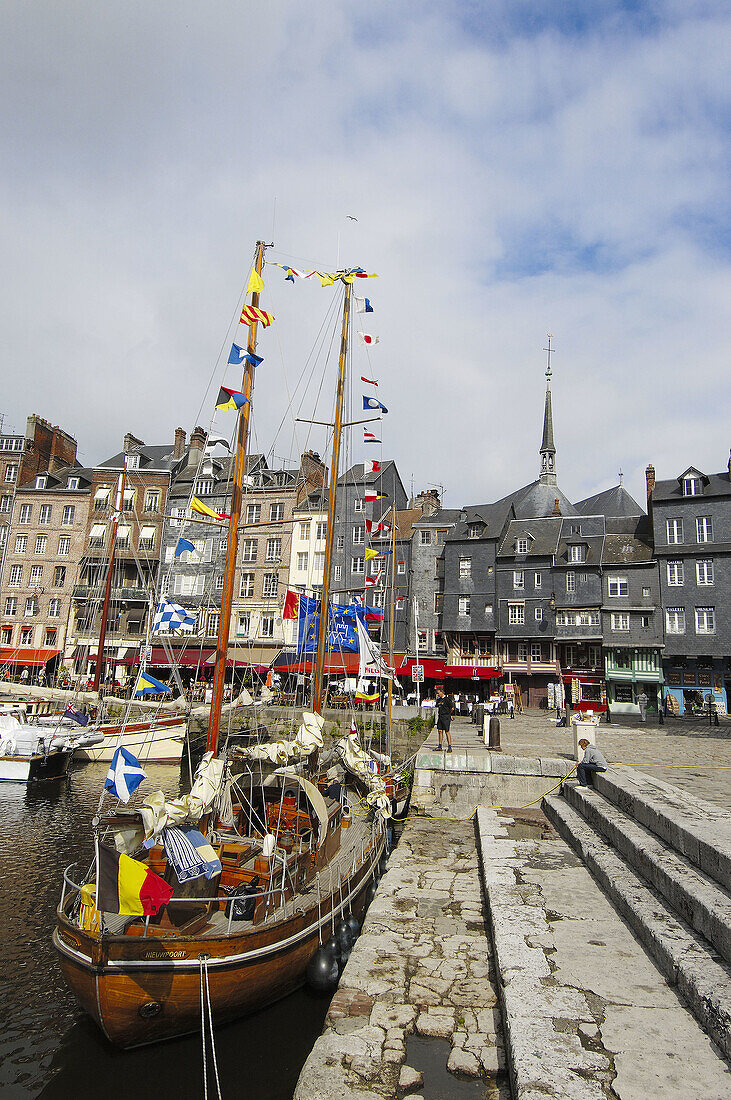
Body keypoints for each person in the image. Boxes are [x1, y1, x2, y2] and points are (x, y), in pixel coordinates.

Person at [435, 685, 453, 753]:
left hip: (446, 717)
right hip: (440, 716)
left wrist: (449, 714)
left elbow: (452, 708)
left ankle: (449, 746)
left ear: (442, 692)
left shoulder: (447, 699)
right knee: (440, 731)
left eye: (438, 693)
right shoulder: (439, 700)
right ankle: (440, 745)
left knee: (447, 731)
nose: (438, 694)